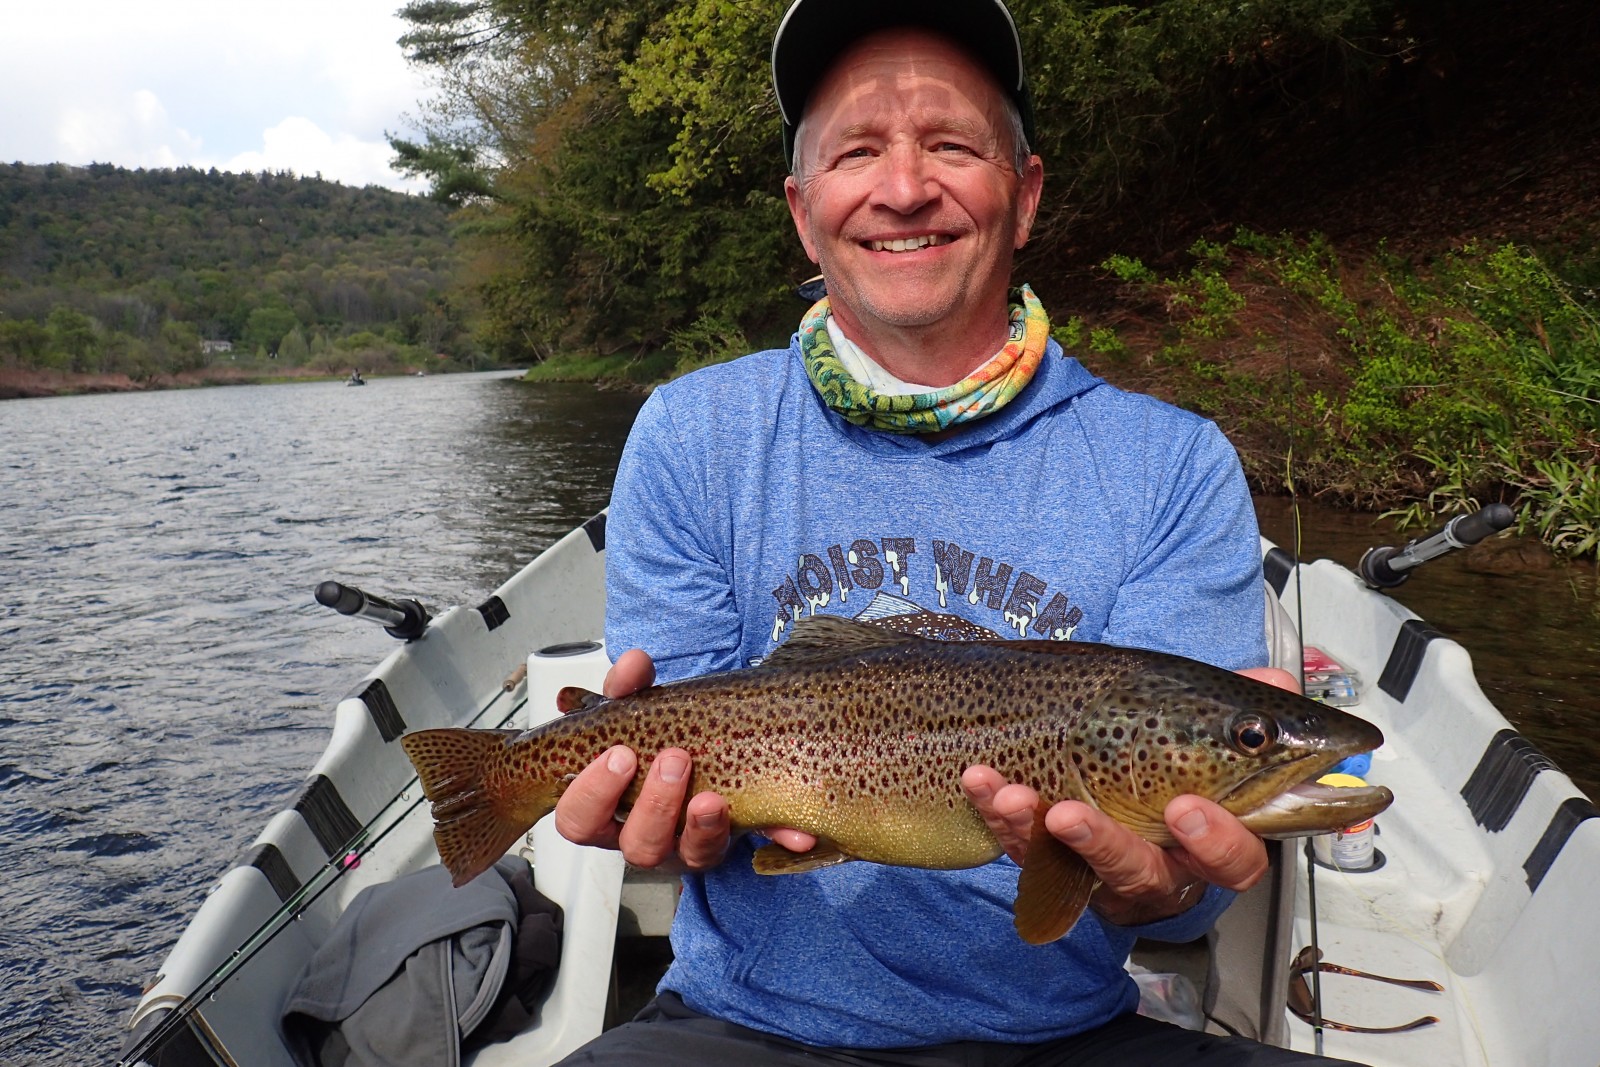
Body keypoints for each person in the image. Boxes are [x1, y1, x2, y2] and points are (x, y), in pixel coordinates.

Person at [552, 0, 1342, 1062]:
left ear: (1024, 197)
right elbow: (683, 800)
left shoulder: (1170, 463)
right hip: (740, 1025)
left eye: (952, 145)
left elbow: (1179, 905)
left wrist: (1172, 879)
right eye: (859, 150)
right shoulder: (692, 432)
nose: (904, 185)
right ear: (803, 209)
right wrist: (650, 817)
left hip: (1064, 1032)